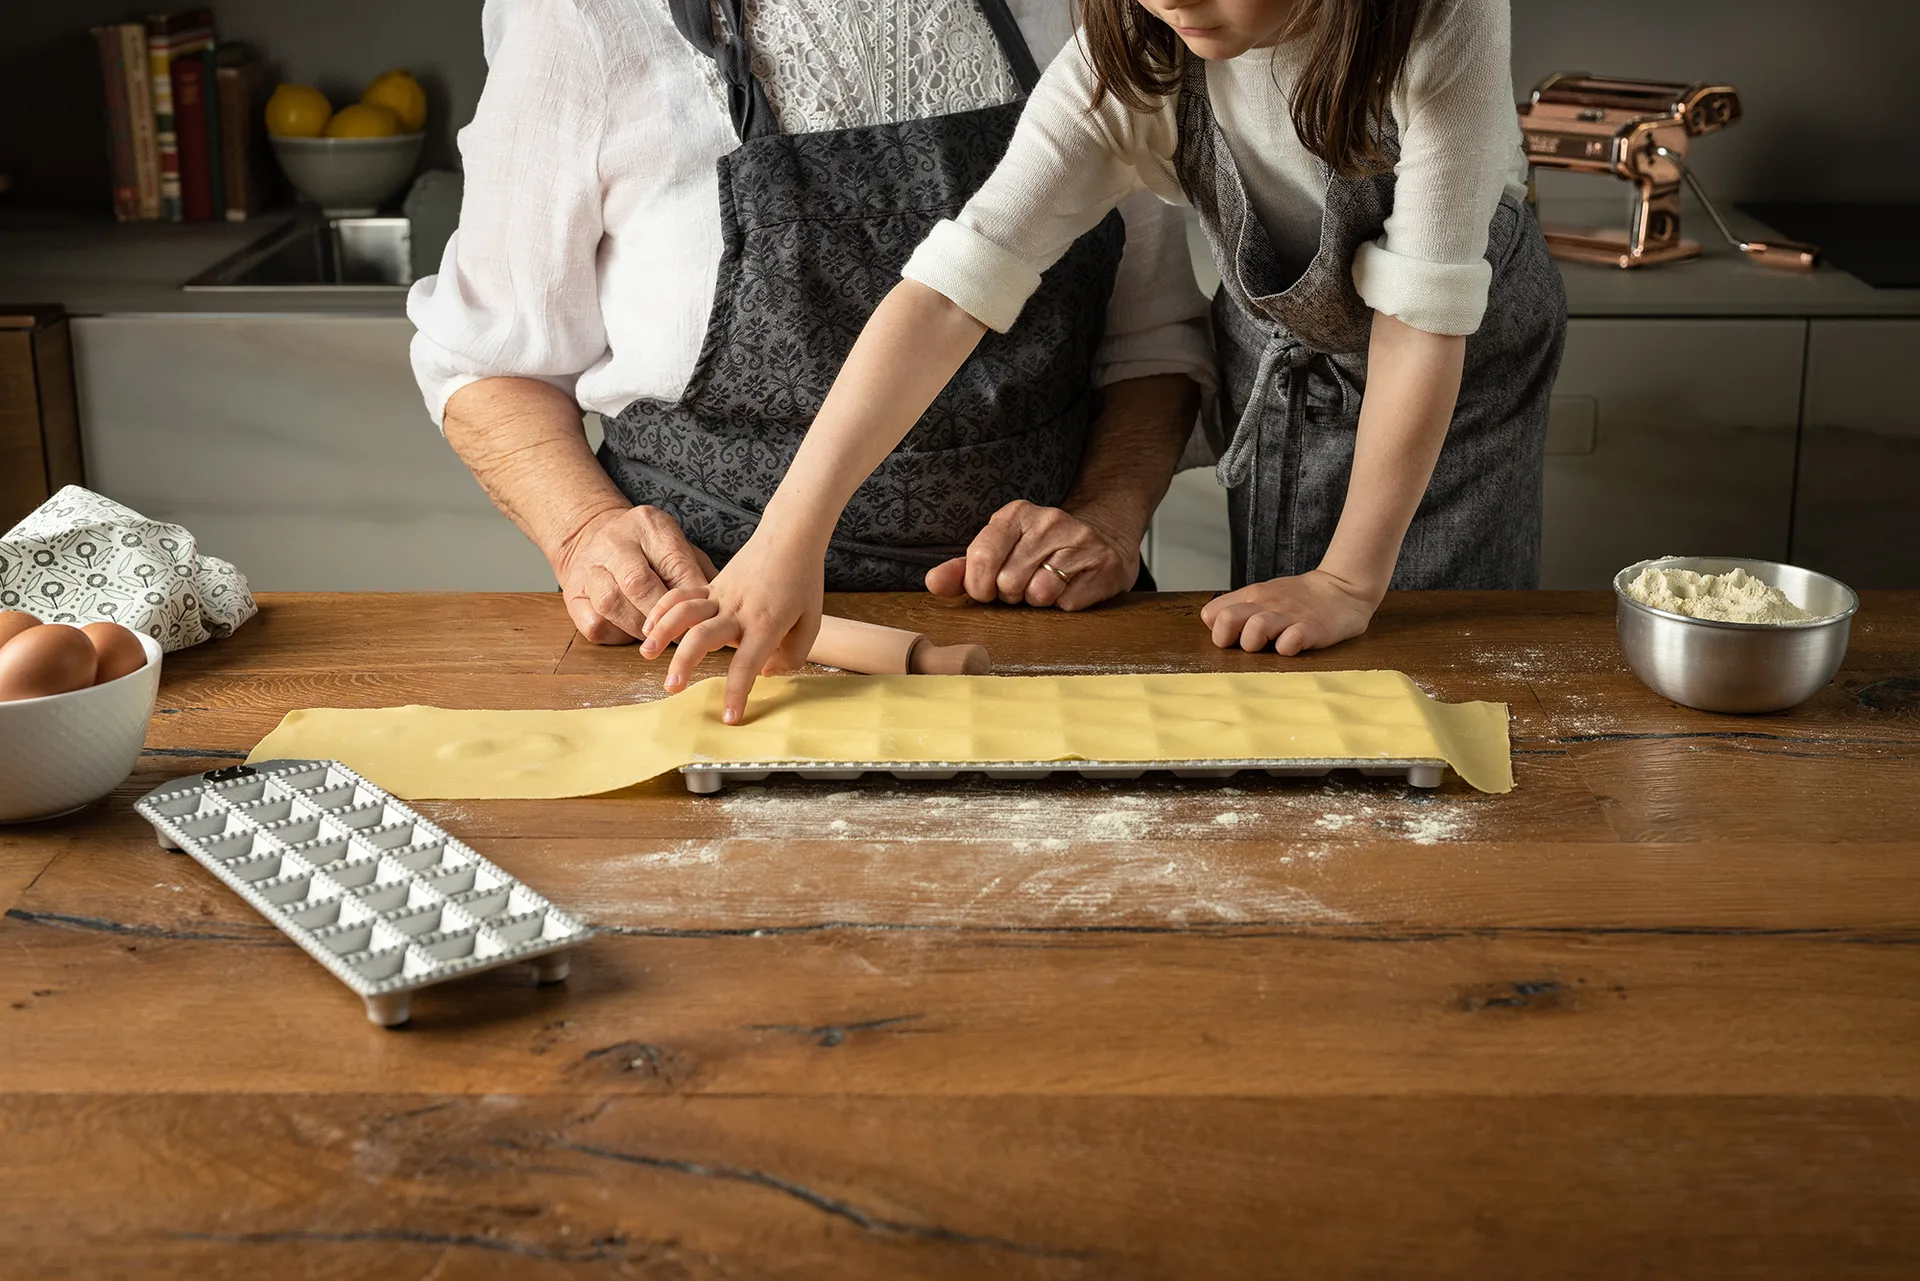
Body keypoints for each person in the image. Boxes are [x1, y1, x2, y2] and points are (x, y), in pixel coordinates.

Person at [645, 0, 1567, 723]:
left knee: (1427, 689)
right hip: (1287, 349)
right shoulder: (1135, 46)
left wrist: (1348, 579)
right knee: (1293, 686)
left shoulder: (1439, 16)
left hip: (1446, 373)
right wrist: (787, 538)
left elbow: (1420, 319)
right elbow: (951, 289)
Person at [408, 0, 1215, 645]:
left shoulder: (1087, 11)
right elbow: (489, 363)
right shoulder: (584, 22)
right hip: (709, 630)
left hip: (1049, 632)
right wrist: (586, 532)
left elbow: (1150, 343)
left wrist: (1107, 517)